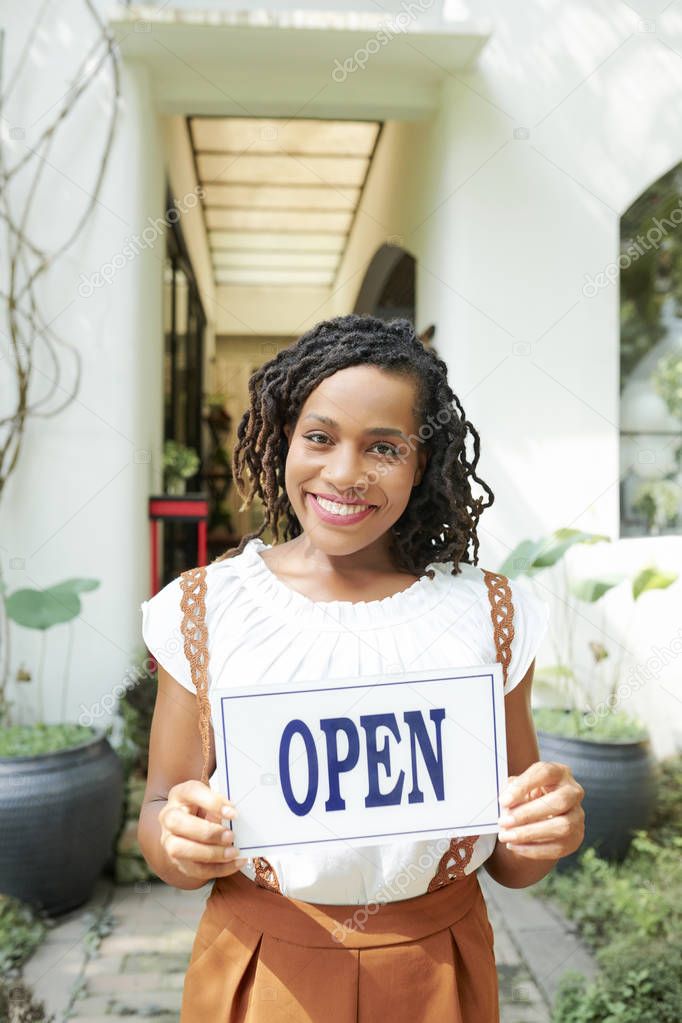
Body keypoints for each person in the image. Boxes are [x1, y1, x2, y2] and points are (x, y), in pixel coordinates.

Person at [138, 314, 585, 1022]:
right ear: (283, 436)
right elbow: (162, 811)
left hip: (435, 969)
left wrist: (547, 828)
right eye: (319, 436)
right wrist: (177, 839)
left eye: (383, 446)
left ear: (423, 462)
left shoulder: (489, 615)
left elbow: (513, 859)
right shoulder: (206, 609)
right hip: (261, 966)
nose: (344, 473)